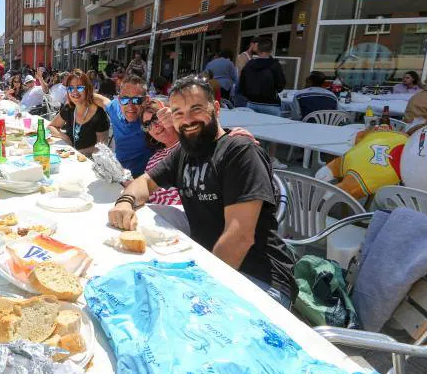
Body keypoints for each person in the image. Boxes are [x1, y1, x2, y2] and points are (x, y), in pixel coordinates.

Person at [108, 75, 296, 308]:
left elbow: (239, 238)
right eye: (178, 113)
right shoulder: (185, 154)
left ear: (215, 108)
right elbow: (144, 183)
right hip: (208, 264)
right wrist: (125, 202)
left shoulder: (239, 151)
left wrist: (199, 289)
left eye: (196, 109)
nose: (187, 120)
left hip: (259, 282)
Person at [238, 38, 288, 169]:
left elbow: (241, 84)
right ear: (270, 50)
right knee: (273, 132)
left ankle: (251, 157)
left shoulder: (249, 65)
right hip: (271, 103)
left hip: (252, 103)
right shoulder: (275, 65)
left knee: (251, 132)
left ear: (257, 49)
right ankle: (271, 158)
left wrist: (249, 95)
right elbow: (281, 85)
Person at [93, 75, 152, 177]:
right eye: (124, 99)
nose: (130, 106)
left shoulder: (153, 121)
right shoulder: (115, 109)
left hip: (142, 181)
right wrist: (76, 94)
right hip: (117, 174)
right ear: (119, 99)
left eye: (136, 100)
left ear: (146, 100)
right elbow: (102, 100)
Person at [49, 70, 109, 157]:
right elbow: (51, 126)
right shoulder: (69, 108)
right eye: (70, 88)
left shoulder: (99, 114)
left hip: (89, 162)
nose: (74, 92)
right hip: (69, 157)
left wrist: (76, 152)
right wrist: (65, 137)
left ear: (87, 89)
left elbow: (101, 148)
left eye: (80, 87)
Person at [235, 37, 259, 106]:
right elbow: (244, 72)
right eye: (257, 46)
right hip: (242, 87)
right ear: (252, 44)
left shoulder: (252, 57)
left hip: (247, 88)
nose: (258, 49)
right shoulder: (243, 56)